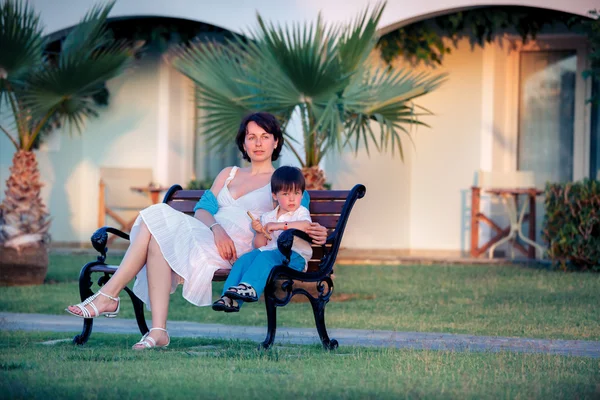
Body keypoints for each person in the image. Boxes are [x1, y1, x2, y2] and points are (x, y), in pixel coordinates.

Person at [65, 112, 328, 349]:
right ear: (244, 143)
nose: (258, 143)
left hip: (238, 249)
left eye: (264, 136)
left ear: (276, 142)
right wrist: (216, 229)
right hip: (210, 235)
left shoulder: (283, 180)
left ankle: (108, 296)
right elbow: (203, 209)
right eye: (251, 137)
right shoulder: (229, 174)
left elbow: (296, 218)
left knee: (156, 225)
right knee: (156, 232)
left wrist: (316, 232)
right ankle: (158, 332)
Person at [212, 166, 312, 312]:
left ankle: (251, 287)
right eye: (286, 194)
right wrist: (260, 232)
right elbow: (260, 245)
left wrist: (278, 226)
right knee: (244, 260)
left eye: (296, 193)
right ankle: (229, 298)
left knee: (266, 256)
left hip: (294, 258)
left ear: (302, 195)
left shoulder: (300, 212)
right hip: (274, 256)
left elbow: (305, 226)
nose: (292, 198)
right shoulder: (268, 217)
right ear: (275, 195)